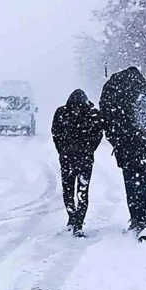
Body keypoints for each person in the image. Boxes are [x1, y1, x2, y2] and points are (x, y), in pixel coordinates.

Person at [100, 67, 146, 241]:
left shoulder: (117, 96)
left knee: (131, 186)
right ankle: (142, 220)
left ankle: (135, 218)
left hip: (127, 151)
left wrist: (117, 142)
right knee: (144, 186)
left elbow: (108, 122)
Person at [51, 89, 103, 237]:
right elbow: (56, 133)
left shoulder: (93, 116)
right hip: (67, 159)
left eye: (79, 107)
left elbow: (98, 134)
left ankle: (79, 223)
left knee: (82, 192)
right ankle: (72, 217)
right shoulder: (62, 114)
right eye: (74, 107)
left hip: (84, 160)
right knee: (68, 191)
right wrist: (63, 150)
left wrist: (88, 149)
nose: (77, 110)